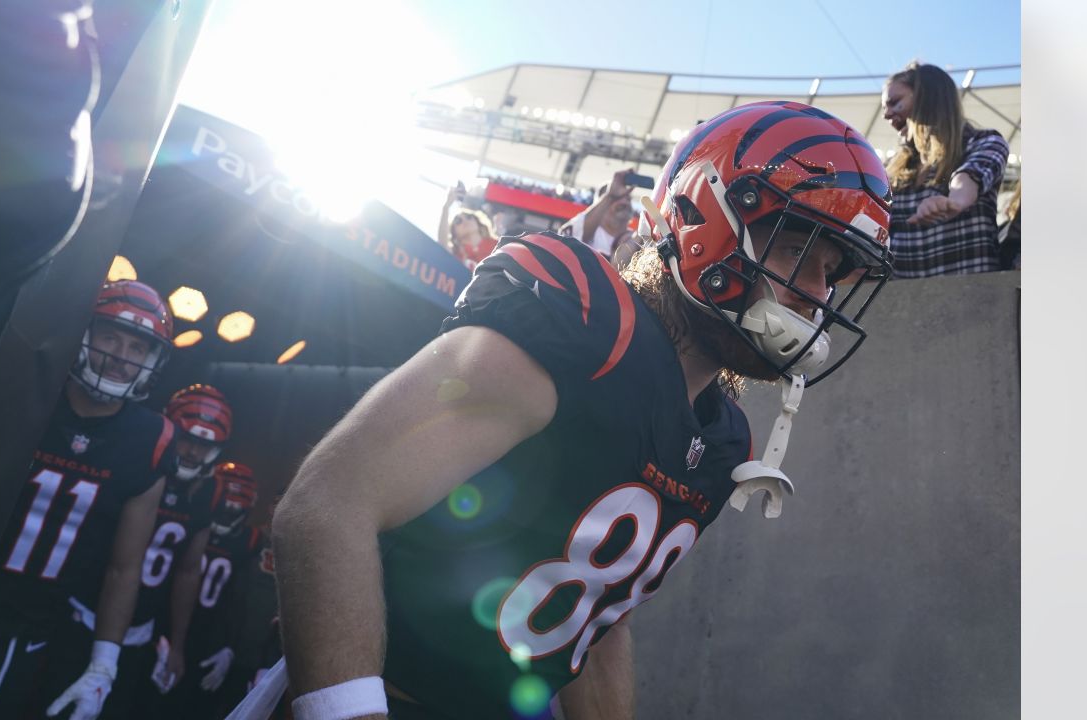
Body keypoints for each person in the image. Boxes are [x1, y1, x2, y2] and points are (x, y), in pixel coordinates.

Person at [251, 101, 895, 720]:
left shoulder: (724, 440)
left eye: (830, 272)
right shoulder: (590, 331)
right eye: (795, 252)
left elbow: (599, 616)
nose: (815, 296)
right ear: (707, 220)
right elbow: (328, 504)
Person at [0, 279, 177, 720]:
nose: (119, 357)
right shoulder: (25, 389)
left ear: (151, 361)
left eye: (136, 347)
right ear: (85, 333)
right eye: (110, 336)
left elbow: (124, 567)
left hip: (29, 622)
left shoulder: (152, 438)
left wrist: (104, 665)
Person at [56, 383, 233, 719]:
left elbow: (187, 571)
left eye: (204, 445)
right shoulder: (138, 460)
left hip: (141, 631)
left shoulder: (208, 493)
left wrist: (177, 644)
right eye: (188, 438)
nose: (193, 452)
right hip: (83, 610)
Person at [150, 462, 267, 719]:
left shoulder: (253, 541)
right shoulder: (190, 519)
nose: (227, 512)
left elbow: (245, 601)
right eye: (223, 505)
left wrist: (230, 646)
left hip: (211, 639)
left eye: (235, 508)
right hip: (166, 630)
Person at [881, 61, 1009, 277]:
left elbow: (969, 176)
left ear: (928, 99)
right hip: (902, 303)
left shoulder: (983, 142)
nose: (886, 114)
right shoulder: (892, 171)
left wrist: (955, 201)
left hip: (973, 298)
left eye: (894, 103)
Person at [564, 169, 640, 259]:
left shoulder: (638, 238)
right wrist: (610, 196)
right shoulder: (589, 232)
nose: (624, 201)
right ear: (601, 203)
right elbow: (572, 236)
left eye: (628, 198)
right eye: (618, 197)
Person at [436, 183, 499, 271]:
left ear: (478, 223)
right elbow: (442, 244)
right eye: (458, 221)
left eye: (469, 217)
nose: (465, 221)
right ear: (453, 232)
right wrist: (446, 207)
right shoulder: (456, 253)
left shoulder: (498, 245)